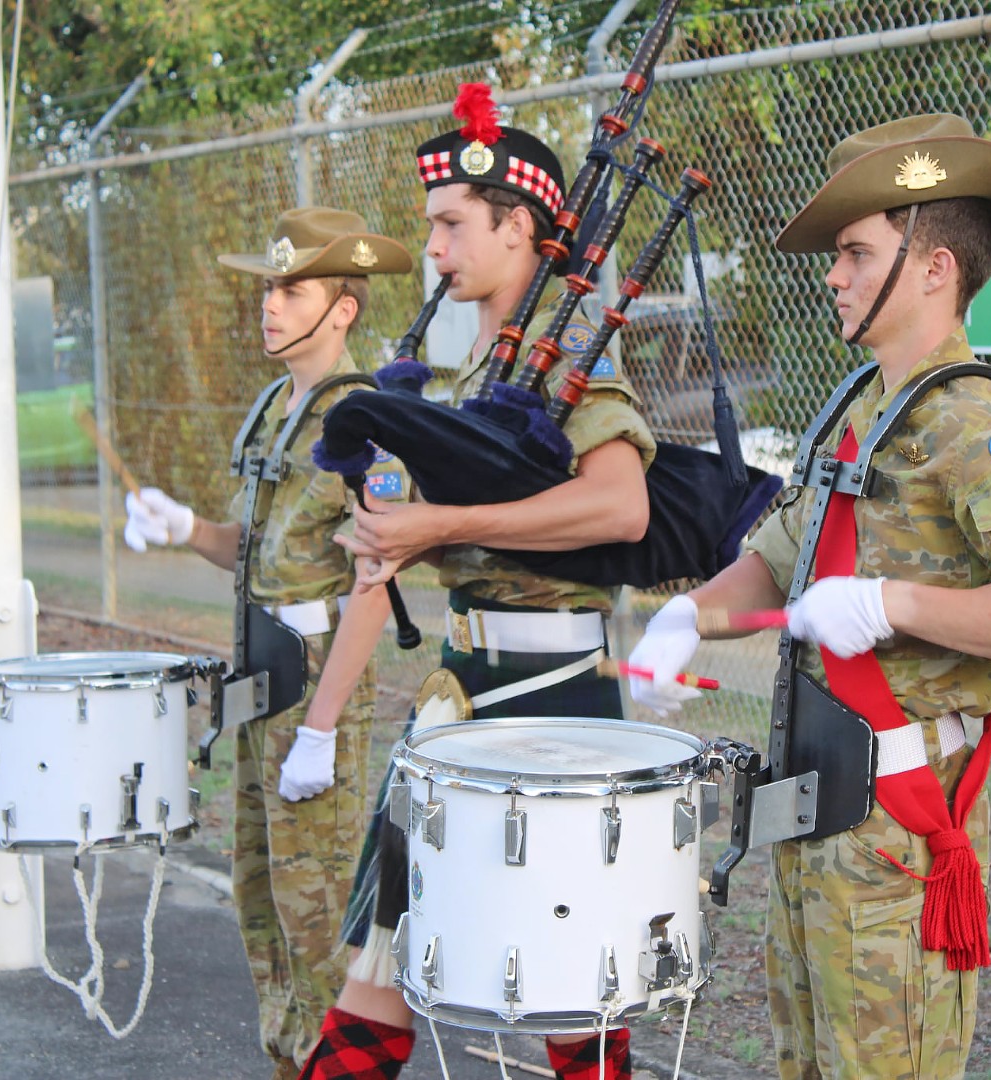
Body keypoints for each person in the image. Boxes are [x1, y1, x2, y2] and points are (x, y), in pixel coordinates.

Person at [626, 114, 991, 1079]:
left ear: (934, 268)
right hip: (820, 823)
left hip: (898, 836)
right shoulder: (864, 409)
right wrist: (681, 622)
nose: (834, 275)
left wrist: (897, 605)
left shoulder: (974, 420)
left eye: (856, 252)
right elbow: (775, 559)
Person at [297, 84, 656, 1080]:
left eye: (453, 225)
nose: (437, 248)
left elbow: (619, 509)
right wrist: (397, 535)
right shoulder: (463, 377)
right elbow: (450, 534)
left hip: (558, 706)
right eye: (431, 228)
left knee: (572, 981)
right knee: (376, 968)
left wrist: (442, 522)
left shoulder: (578, 355)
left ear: (520, 224)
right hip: (457, 696)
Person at [122, 206, 414, 1079]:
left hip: (314, 693)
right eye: (269, 288)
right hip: (257, 687)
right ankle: (290, 1064)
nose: (270, 305)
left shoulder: (372, 420)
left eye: (292, 289)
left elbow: (377, 581)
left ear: (344, 308)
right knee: (259, 904)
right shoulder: (274, 407)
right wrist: (187, 529)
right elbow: (255, 556)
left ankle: (333, 1065)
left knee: (316, 916)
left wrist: (322, 729)